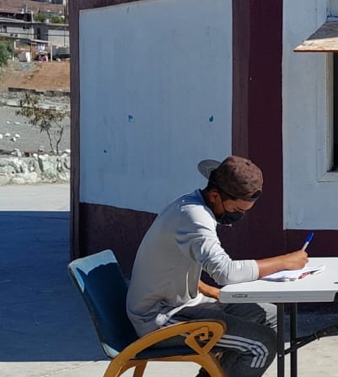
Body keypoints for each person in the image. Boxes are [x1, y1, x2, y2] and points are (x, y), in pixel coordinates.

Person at [126, 156, 308, 377]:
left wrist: (205, 289)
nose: (239, 216)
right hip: (159, 318)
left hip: (181, 304)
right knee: (261, 345)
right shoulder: (194, 217)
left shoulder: (191, 204)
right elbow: (225, 272)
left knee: (268, 314)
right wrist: (285, 261)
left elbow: (172, 264)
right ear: (215, 195)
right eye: (238, 210)